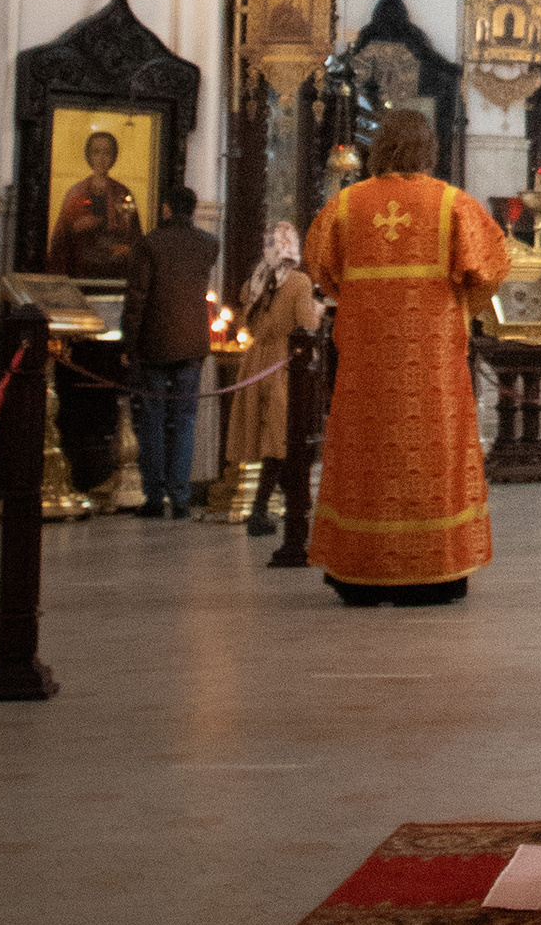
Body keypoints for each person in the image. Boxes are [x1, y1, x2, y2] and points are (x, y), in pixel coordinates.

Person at [301, 106, 507, 602]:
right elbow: (492, 266)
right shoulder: (452, 205)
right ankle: (433, 572)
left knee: (364, 454)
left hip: (366, 364)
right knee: (429, 455)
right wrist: (459, 305)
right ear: (428, 149)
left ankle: (359, 574)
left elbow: (321, 268)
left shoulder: (347, 205)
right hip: (431, 366)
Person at [121, 184, 218, 520]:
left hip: (154, 344)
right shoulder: (208, 244)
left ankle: (154, 496)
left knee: (153, 420)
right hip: (192, 343)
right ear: (191, 210)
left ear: (165, 209)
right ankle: (180, 497)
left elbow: (137, 298)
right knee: (185, 421)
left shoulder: (150, 244)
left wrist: (128, 343)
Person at [237, 221, 324, 534]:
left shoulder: (256, 279)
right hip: (284, 365)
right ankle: (264, 509)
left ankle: (271, 506)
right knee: (282, 439)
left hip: (256, 362)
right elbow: (305, 323)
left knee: (269, 438)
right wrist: (319, 310)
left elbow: (246, 323)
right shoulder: (298, 282)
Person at [49, 127, 147, 281]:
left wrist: (125, 248)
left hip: (114, 270)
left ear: (113, 156)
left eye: (106, 153)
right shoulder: (77, 192)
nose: (101, 158)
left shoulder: (122, 193)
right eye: (96, 152)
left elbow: (135, 235)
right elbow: (61, 237)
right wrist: (77, 227)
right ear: (89, 155)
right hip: (80, 268)